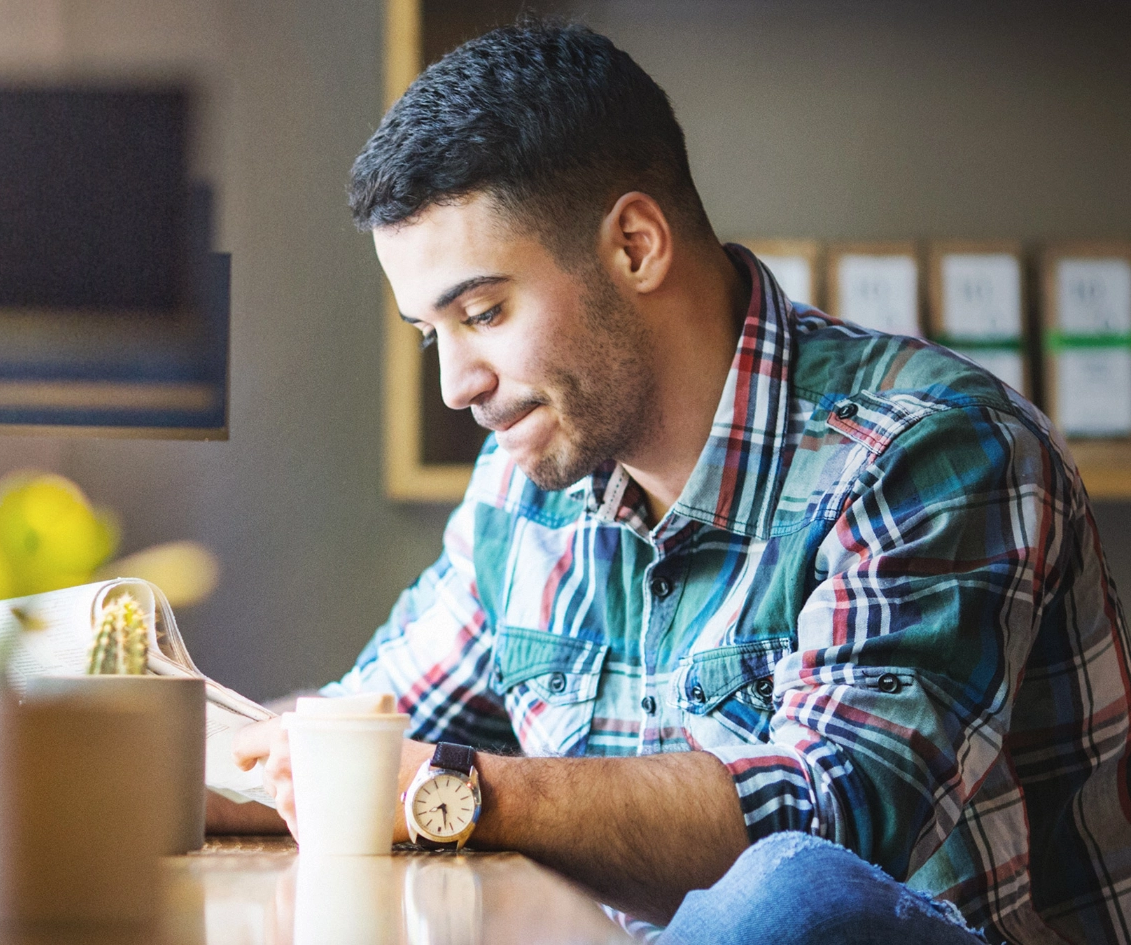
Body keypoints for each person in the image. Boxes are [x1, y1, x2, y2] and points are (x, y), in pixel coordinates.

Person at [209, 19, 1131, 945]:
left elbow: (839, 822)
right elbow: (359, 744)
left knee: (793, 896)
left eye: (484, 312)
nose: (456, 385)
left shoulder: (932, 452)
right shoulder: (520, 491)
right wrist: (144, 761)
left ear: (637, 245)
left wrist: (454, 788)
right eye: (431, 332)